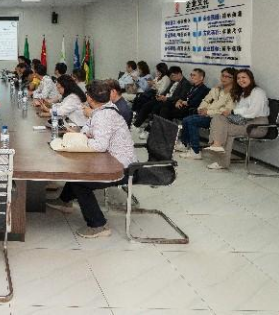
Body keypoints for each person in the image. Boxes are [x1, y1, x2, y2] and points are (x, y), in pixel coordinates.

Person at [46, 80, 136, 238]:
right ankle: (64, 201)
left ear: (90, 98)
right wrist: (81, 134)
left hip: (121, 168)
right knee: (76, 169)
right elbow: (87, 129)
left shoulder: (103, 115)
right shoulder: (104, 109)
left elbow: (100, 145)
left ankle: (98, 225)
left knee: (80, 181)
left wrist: (80, 139)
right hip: (112, 159)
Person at [205, 69, 269, 170]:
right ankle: (216, 145)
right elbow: (239, 111)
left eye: (244, 77)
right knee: (218, 117)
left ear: (251, 78)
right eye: (238, 78)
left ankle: (222, 161)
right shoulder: (243, 93)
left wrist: (232, 112)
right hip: (243, 121)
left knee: (226, 129)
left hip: (257, 125)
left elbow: (253, 112)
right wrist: (228, 112)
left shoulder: (258, 92)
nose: (240, 80)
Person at [177, 68, 237, 159]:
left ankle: (195, 151)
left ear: (234, 79)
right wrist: (201, 109)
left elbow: (225, 111)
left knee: (191, 121)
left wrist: (208, 112)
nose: (224, 78)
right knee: (186, 119)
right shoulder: (216, 89)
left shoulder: (234, 93)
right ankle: (185, 144)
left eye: (228, 77)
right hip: (207, 115)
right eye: (222, 75)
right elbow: (206, 100)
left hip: (218, 119)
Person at [132, 66, 190, 136]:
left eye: (173, 76)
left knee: (156, 108)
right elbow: (167, 91)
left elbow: (181, 97)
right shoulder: (173, 81)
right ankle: (136, 125)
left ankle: (149, 130)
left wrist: (167, 98)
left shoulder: (186, 83)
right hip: (164, 99)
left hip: (171, 102)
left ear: (179, 74)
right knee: (147, 105)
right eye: (171, 76)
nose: (171, 78)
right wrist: (161, 96)